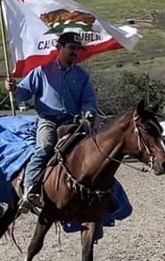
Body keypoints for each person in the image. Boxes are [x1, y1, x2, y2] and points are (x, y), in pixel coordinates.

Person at [5, 30, 98, 211]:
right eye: (71, 48)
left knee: (96, 150)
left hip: (73, 122)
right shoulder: (41, 71)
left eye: (77, 49)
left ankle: (102, 193)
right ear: (59, 47)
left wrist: (89, 112)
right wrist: (13, 88)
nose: (75, 52)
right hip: (48, 120)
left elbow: (88, 100)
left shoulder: (82, 76)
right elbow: (23, 94)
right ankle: (29, 190)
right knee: (44, 148)